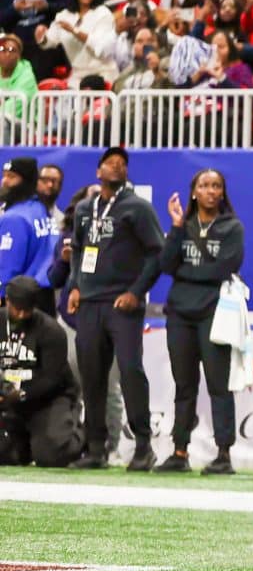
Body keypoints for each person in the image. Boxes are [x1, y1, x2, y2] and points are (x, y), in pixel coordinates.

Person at [66, 146, 164, 472]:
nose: (117, 167)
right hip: (90, 303)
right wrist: (77, 285)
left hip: (123, 305)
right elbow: (79, 249)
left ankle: (144, 447)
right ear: (98, 171)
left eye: (122, 164)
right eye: (110, 163)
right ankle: (96, 448)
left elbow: (156, 254)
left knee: (131, 371)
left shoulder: (137, 208)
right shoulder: (83, 208)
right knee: (92, 376)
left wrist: (137, 292)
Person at [154, 168, 244, 476]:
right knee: (184, 386)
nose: (210, 191)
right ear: (194, 191)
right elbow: (166, 264)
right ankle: (179, 451)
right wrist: (177, 227)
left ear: (222, 192)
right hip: (179, 314)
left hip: (214, 313)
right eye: (204, 185)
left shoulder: (232, 227)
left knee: (219, 385)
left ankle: (223, 454)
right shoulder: (184, 225)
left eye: (216, 185)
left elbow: (224, 268)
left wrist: (185, 272)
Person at [0, 276, 84, 468]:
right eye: (17, 309)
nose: (21, 315)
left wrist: (21, 394)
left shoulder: (51, 331)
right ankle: (22, 445)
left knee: (53, 456)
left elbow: (51, 379)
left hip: (48, 398)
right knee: (6, 456)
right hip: (8, 397)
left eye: (26, 310)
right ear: (8, 301)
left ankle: (79, 432)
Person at [1, 158, 60, 310]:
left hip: (18, 300)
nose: (5, 181)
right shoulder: (41, 209)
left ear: (26, 181)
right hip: (46, 297)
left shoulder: (15, 217)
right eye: (5, 175)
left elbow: (7, 268)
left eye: (12, 177)